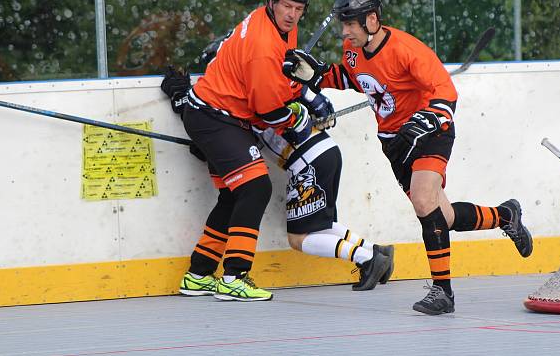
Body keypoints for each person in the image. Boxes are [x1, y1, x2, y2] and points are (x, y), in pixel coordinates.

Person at [282, 0, 533, 315]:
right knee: (443, 216)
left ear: (371, 20)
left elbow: (446, 94)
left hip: (430, 134)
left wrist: (428, 118)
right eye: (343, 24)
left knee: (423, 201)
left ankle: (442, 292)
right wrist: (320, 76)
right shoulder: (352, 49)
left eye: (350, 24)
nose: (344, 31)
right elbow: (354, 77)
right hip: (394, 144)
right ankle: (506, 215)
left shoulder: (407, 50)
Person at [162, 69, 395, 294]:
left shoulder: (249, 100)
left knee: (299, 238)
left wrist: (188, 111)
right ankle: (374, 252)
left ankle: (367, 259)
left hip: (308, 163)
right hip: (326, 154)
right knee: (317, 225)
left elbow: (230, 134)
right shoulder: (260, 92)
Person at [162, 0, 316, 302]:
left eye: (299, 9)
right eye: (287, 6)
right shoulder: (263, 44)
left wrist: (294, 84)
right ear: (273, 2)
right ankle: (234, 275)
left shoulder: (274, 24)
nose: (293, 15)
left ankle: (198, 274)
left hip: (214, 115)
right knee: (256, 188)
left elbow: (272, 79)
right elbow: (267, 111)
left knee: (233, 196)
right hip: (217, 119)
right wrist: (297, 117)